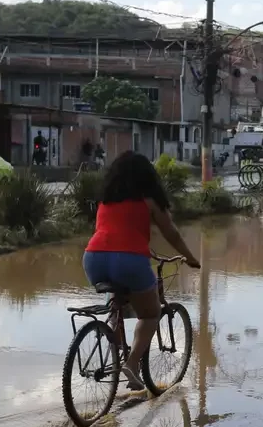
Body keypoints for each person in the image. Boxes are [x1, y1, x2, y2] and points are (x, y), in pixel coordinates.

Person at [82, 151, 201, 390]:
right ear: (147, 176)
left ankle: (114, 342)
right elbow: (172, 234)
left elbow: (112, 233)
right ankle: (131, 363)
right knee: (150, 314)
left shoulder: (106, 200)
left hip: (93, 258)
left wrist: (140, 249)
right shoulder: (149, 201)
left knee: (117, 298)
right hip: (128, 260)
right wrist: (190, 258)